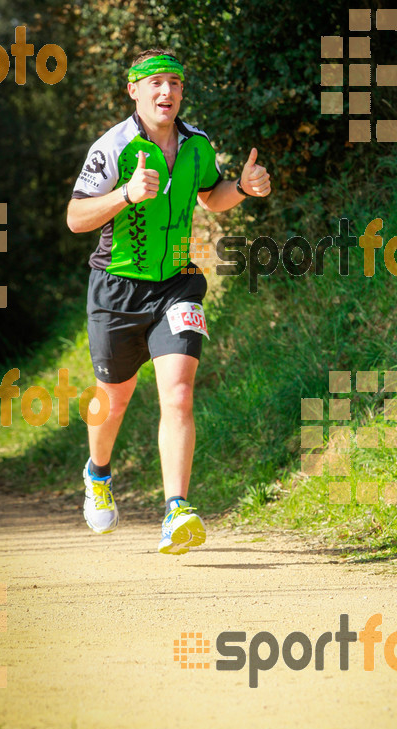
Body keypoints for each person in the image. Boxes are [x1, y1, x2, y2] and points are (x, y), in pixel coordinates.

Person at [67, 49, 271, 554]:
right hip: (116, 288)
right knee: (112, 401)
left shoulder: (197, 145)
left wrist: (241, 189)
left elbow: (212, 196)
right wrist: (126, 195)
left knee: (178, 394)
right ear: (132, 90)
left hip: (178, 283)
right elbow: (75, 218)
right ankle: (98, 473)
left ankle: (175, 509)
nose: (167, 92)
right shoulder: (113, 147)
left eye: (175, 83)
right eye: (154, 82)